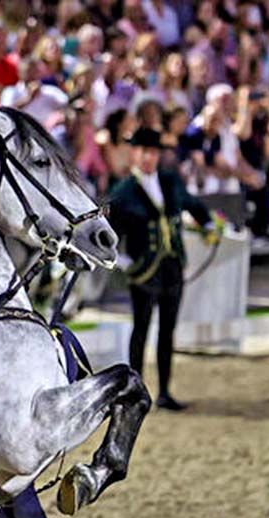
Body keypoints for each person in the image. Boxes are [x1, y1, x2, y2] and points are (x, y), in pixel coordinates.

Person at [107, 127, 214, 411]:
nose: (148, 157)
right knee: (140, 328)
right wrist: (121, 260)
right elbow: (109, 234)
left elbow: (192, 204)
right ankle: (134, 393)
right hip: (144, 270)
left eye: (152, 152)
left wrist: (208, 223)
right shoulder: (123, 191)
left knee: (168, 329)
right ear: (134, 153)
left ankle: (165, 391)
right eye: (143, 151)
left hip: (172, 266)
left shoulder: (171, 181)